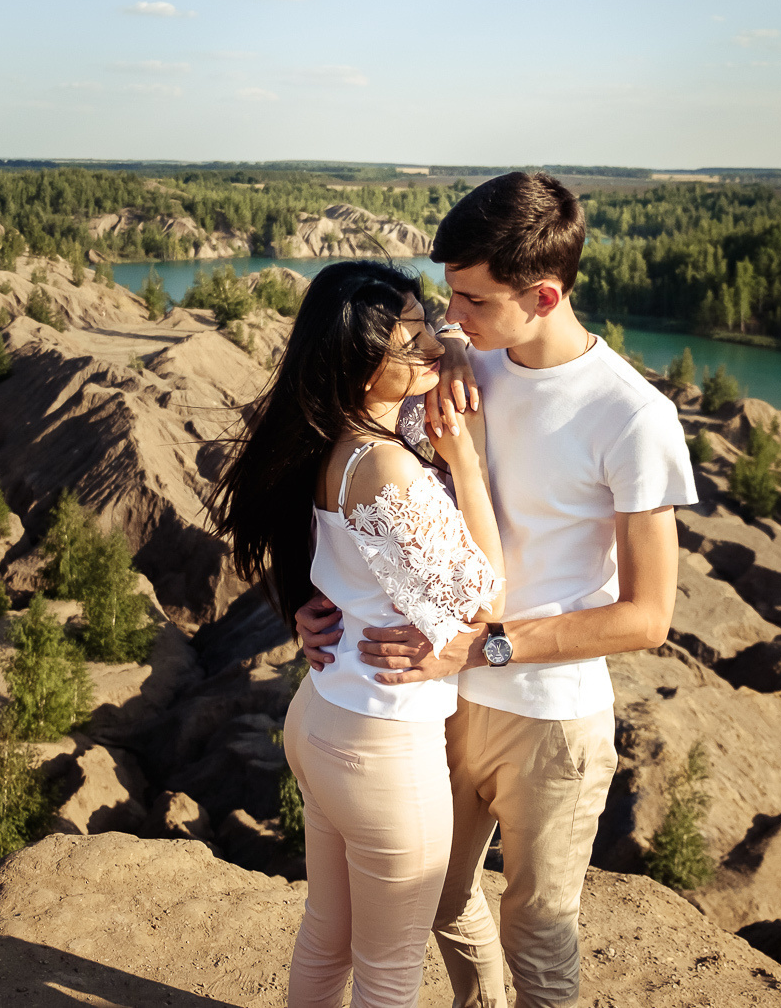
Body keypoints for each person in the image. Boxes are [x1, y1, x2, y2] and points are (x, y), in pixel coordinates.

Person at [296, 172, 697, 1008]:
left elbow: (649, 616)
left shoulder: (634, 418)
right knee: (436, 902)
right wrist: (317, 595)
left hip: (548, 716)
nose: (452, 322)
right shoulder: (451, 361)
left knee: (539, 930)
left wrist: (486, 642)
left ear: (543, 295)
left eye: (472, 301)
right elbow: (352, 469)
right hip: (439, 698)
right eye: (448, 298)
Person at [212, 260, 508, 1008]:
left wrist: (454, 346)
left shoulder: (336, 438)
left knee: (327, 933)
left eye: (422, 319)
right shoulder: (388, 471)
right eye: (410, 335)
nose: (430, 341)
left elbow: (442, 346)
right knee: (389, 971)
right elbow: (484, 597)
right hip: (386, 752)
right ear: (361, 359)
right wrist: (464, 462)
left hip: (320, 721)